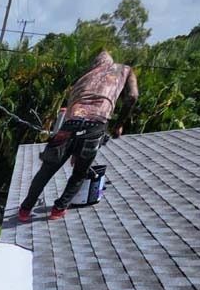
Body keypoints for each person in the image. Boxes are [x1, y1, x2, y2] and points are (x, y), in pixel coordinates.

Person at [18, 51, 138, 222]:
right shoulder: (125, 70)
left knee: (46, 171)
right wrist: (118, 125)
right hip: (96, 124)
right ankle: (58, 209)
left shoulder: (82, 80)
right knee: (80, 173)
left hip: (70, 125)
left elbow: (71, 113)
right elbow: (132, 96)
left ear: (95, 65)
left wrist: (72, 145)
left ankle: (25, 210)